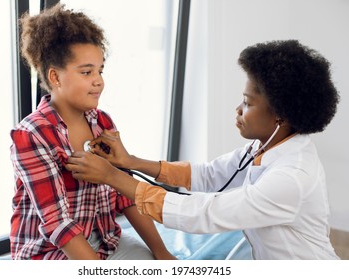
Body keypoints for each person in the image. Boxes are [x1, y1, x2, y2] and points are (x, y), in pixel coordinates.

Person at [66, 40, 341, 260]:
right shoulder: (264, 147)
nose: (238, 109)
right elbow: (207, 175)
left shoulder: (292, 177)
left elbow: (202, 213)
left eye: (247, 102)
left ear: (280, 115)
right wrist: (132, 161)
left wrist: (113, 176)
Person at [10, 4, 175, 260]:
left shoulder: (102, 123)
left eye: (100, 70)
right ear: (55, 77)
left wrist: (162, 253)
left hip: (104, 241)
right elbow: (58, 223)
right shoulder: (32, 135)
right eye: (87, 72)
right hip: (49, 252)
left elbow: (126, 194)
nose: (99, 80)